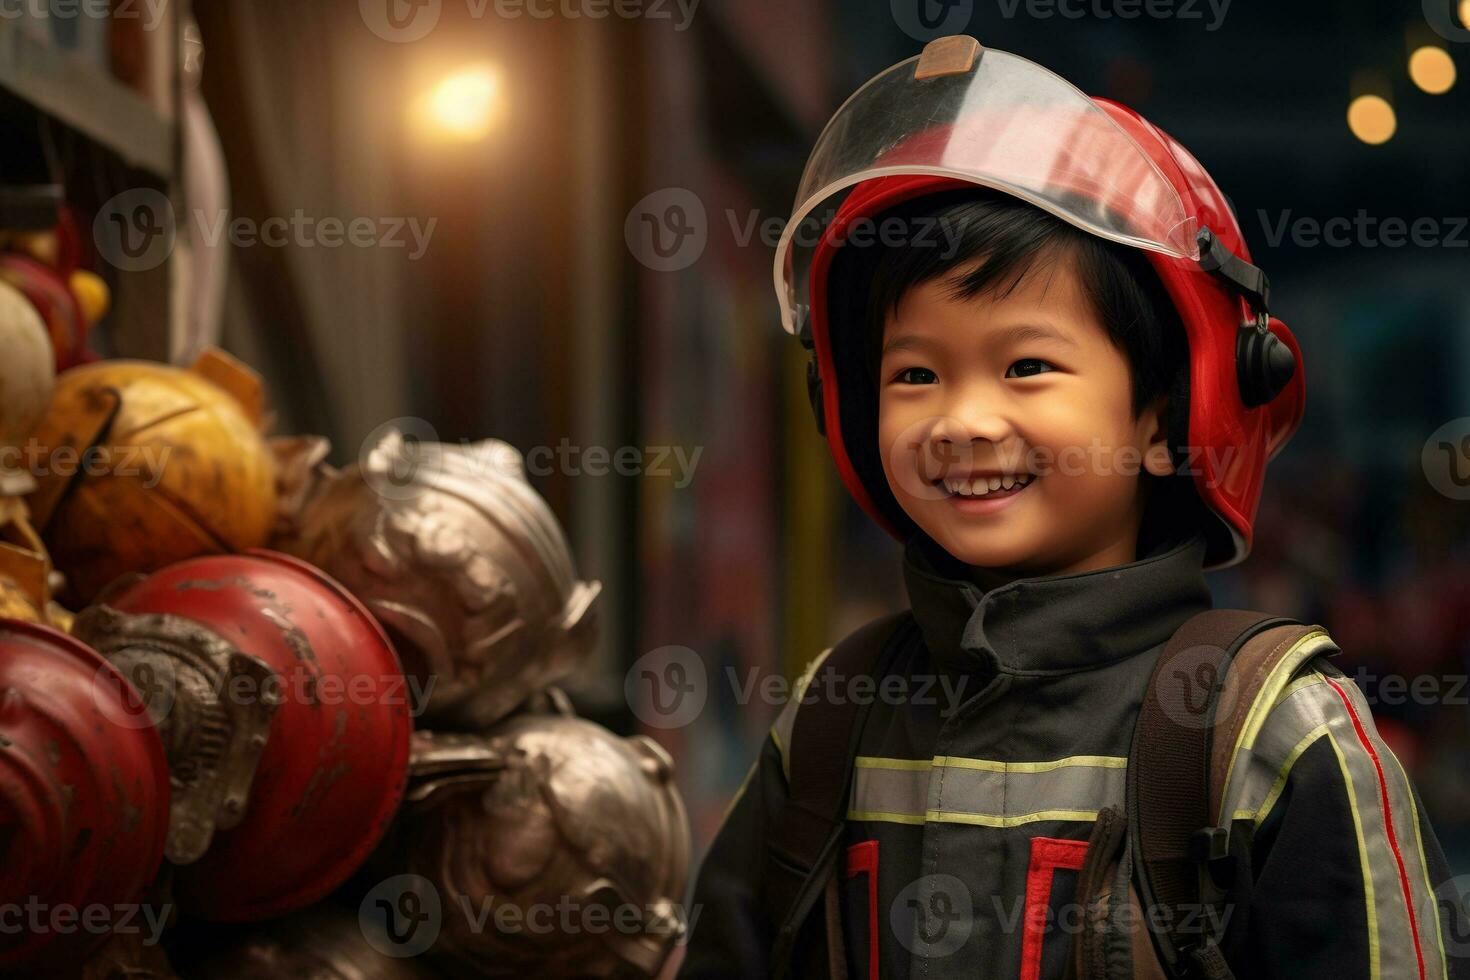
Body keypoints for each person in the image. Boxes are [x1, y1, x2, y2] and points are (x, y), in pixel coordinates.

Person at [677, 35, 1468, 980]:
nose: (964, 420)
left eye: (1027, 367)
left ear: (1168, 413)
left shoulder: (1277, 739)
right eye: (916, 373)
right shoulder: (831, 721)